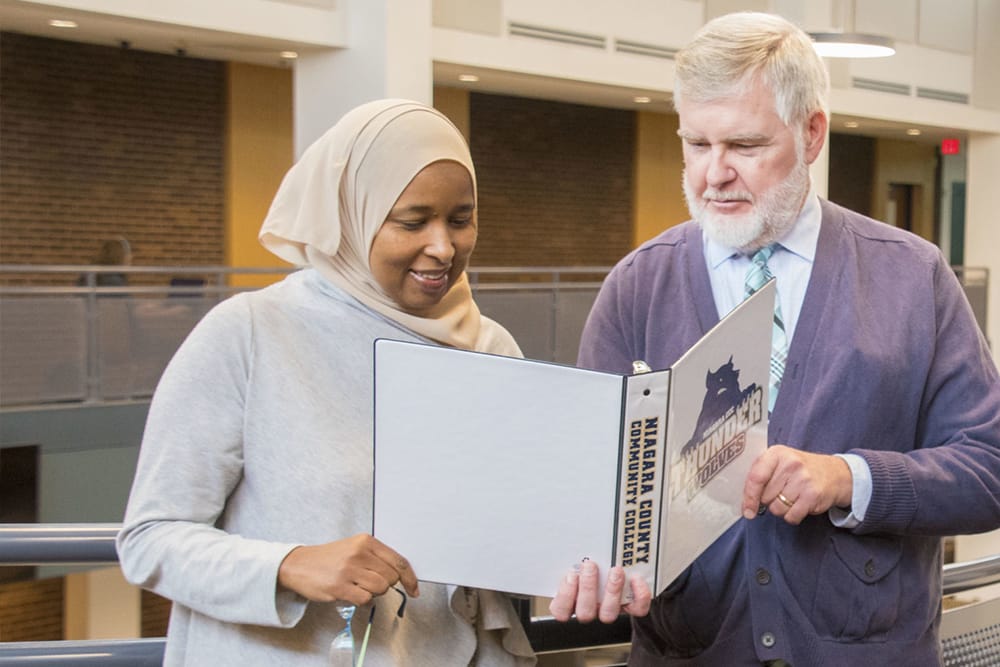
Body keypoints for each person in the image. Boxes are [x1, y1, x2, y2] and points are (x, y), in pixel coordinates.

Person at [550, 11, 1000, 665]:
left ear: (811, 132)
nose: (713, 174)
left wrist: (850, 477)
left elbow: (989, 470)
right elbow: (586, 489)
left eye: (745, 145)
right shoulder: (636, 286)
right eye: (697, 144)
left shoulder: (913, 276)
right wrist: (591, 557)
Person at [116, 99, 536, 666]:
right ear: (351, 215)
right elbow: (150, 540)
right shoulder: (250, 334)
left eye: (460, 220)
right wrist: (289, 565)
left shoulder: (491, 348)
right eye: (412, 221)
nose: (443, 246)